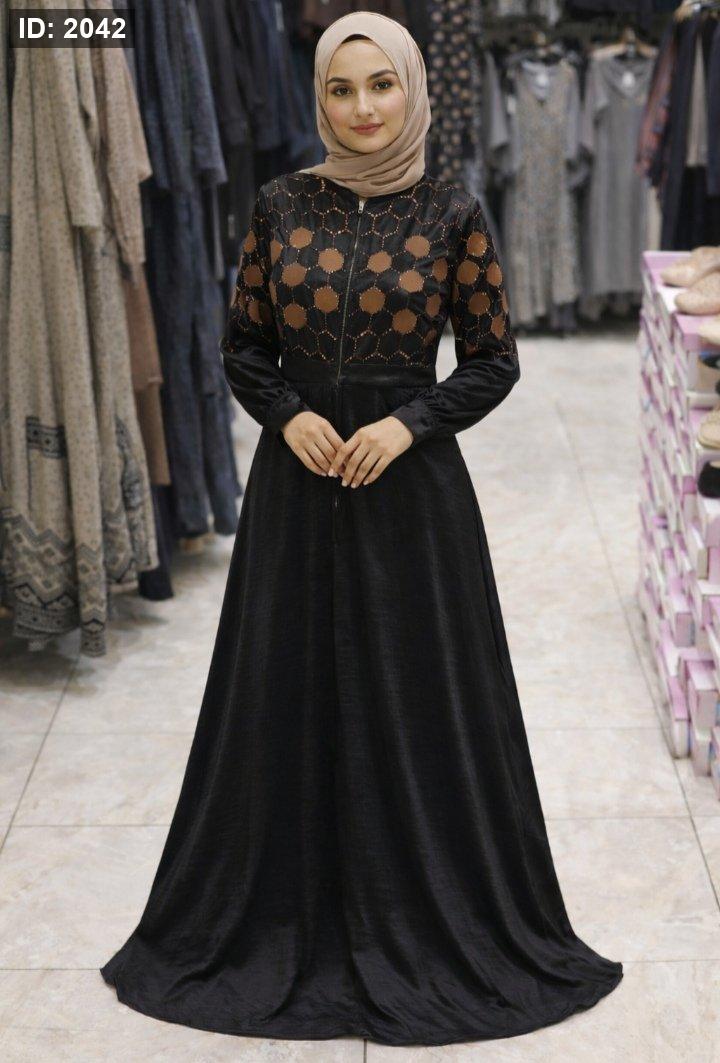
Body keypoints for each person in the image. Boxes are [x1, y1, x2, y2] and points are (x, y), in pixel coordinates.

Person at [100, 11, 623, 1047]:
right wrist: (287, 414)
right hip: (298, 491)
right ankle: (284, 914)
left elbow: (493, 360)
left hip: (410, 498)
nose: (363, 108)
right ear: (318, 98)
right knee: (286, 690)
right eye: (341, 89)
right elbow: (243, 345)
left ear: (411, 88)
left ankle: (427, 916)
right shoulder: (280, 204)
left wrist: (408, 422)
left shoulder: (453, 209)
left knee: (420, 696)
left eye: (381, 84)